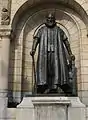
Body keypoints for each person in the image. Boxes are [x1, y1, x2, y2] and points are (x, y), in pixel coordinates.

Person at [30, 13, 75, 94]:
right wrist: (33, 49)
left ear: (54, 20)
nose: (50, 20)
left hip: (57, 54)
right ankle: (44, 87)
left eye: (52, 19)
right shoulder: (41, 30)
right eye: (49, 19)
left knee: (56, 70)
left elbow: (66, 42)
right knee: (46, 70)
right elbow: (36, 39)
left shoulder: (59, 30)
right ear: (46, 19)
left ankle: (57, 87)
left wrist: (70, 53)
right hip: (45, 54)